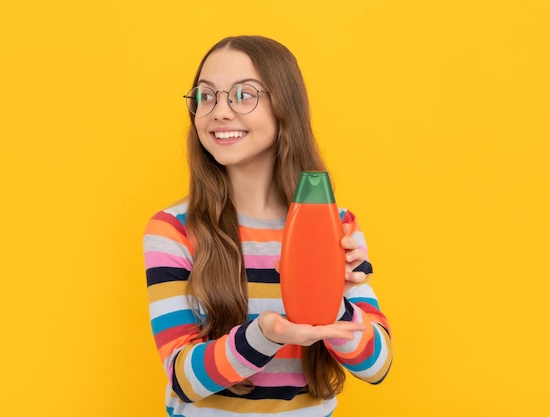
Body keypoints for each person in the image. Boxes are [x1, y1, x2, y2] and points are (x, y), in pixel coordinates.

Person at [143, 35, 393, 417]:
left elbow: (378, 367)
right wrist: (266, 336)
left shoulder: (337, 225)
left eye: (243, 95)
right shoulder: (173, 230)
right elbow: (183, 380)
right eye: (206, 96)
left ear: (284, 106)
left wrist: (335, 304)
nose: (219, 112)